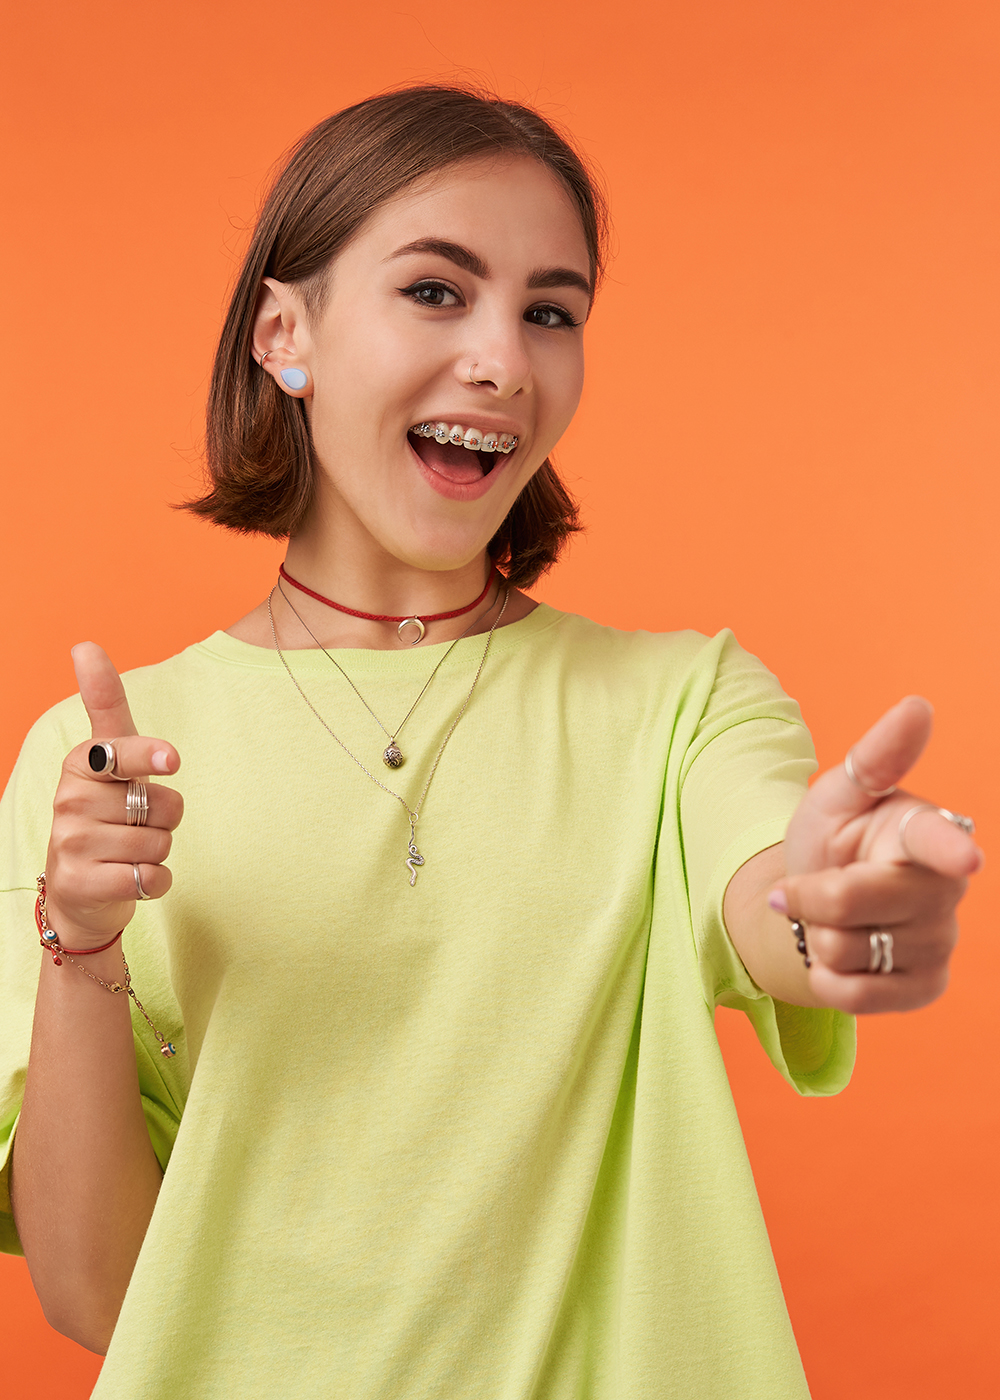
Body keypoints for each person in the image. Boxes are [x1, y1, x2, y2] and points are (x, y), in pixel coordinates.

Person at [0, 86, 981, 1399]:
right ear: (283, 335)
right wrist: (83, 948)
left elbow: (769, 893)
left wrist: (840, 907)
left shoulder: (681, 704)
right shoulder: (95, 769)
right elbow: (99, 1296)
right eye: (436, 292)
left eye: (551, 312)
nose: (505, 361)